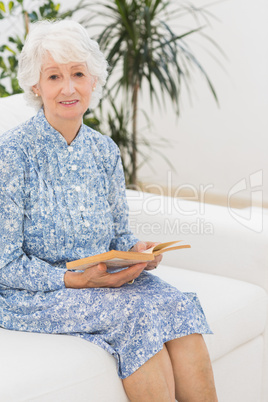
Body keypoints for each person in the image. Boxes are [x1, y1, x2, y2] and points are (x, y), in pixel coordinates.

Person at [0, 20, 218, 401]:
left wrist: (137, 251)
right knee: (138, 320)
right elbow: (5, 264)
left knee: (179, 308)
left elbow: (117, 237)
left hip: (104, 279)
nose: (68, 88)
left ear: (94, 81)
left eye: (78, 74)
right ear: (36, 86)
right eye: (54, 76)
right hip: (33, 294)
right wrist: (74, 281)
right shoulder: (12, 154)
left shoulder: (104, 151)